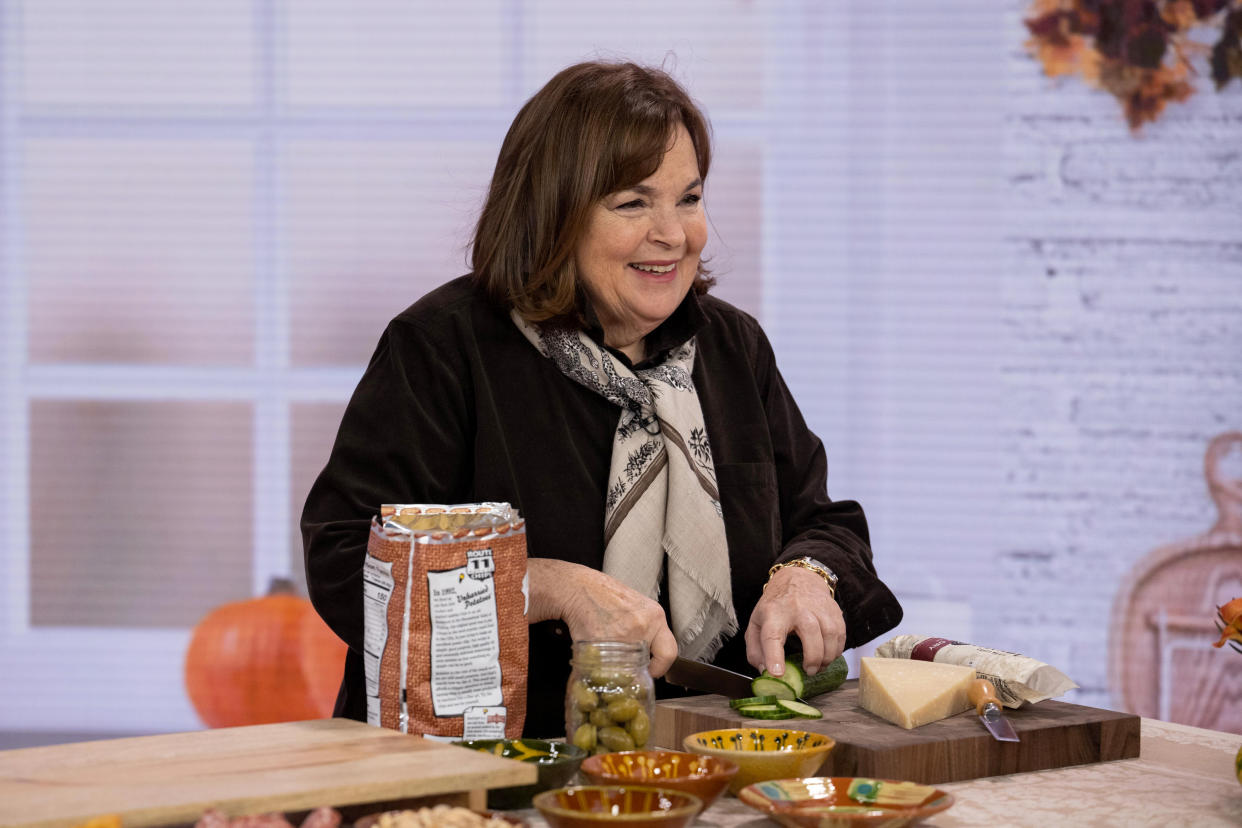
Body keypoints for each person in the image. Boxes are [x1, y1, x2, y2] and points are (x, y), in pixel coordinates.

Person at [301, 60, 902, 737]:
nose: (673, 234)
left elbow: (825, 521)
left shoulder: (733, 348)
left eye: (690, 198)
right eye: (633, 203)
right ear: (555, 213)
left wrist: (807, 575)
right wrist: (544, 586)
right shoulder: (441, 347)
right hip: (480, 771)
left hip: (704, 760)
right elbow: (345, 559)